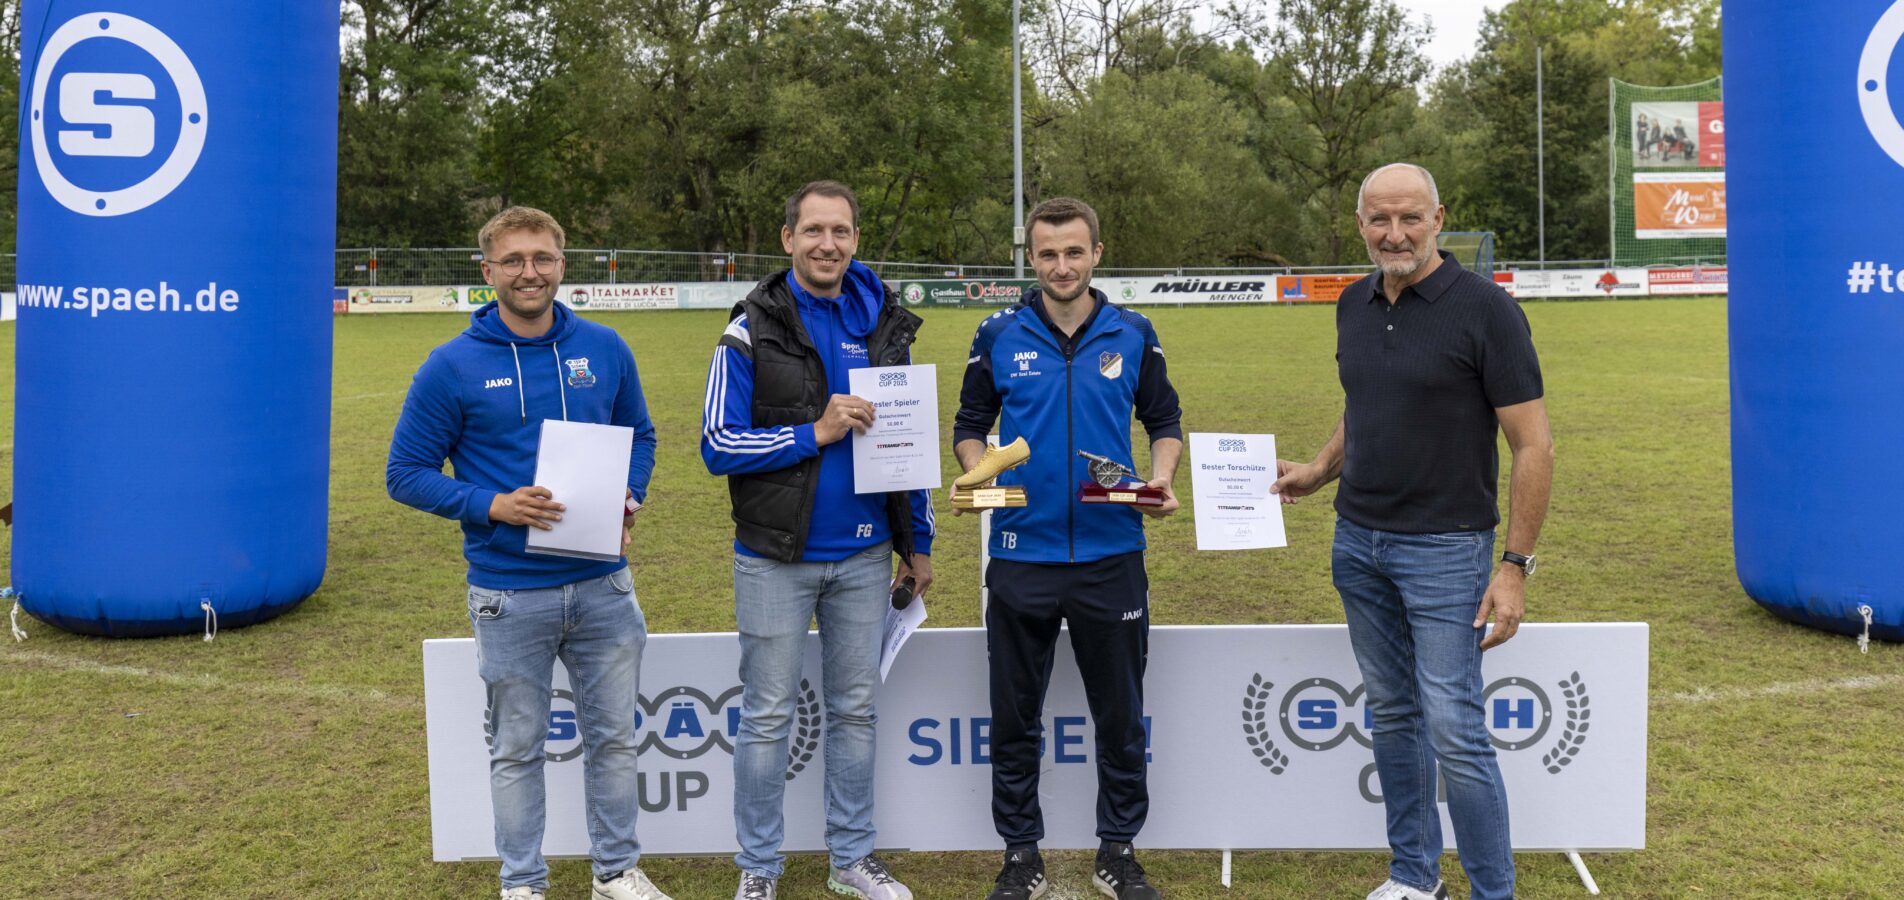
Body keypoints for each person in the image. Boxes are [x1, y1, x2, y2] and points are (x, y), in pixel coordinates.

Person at [1271, 163, 1554, 900]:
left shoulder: (1487, 310)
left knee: (1456, 729)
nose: (1394, 234)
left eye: (1409, 218)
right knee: (1394, 716)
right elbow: (1365, 403)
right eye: (1380, 219)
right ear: (1360, 224)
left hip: (1448, 550)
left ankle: (1493, 892)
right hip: (1357, 543)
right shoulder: (1353, 302)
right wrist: (1320, 469)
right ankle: (1413, 877)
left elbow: (1533, 446)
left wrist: (1514, 566)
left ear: (1438, 219)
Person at [387, 207, 670, 900]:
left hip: (605, 586)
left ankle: (616, 873)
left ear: (561, 264)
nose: (529, 272)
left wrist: (629, 495)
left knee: (615, 739)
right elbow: (405, 473)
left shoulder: (604, 347)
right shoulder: (450, 365)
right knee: (516, 749)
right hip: (509, 592)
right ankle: (522, 884)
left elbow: (640, 434)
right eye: (512, 260)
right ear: (487, 271)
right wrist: (493, 505)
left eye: (542, 258)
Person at [701, 180, 935, 900]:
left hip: (864, 557)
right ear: (788, 239)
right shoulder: (750, 327)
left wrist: (918, 543)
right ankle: (759, 868)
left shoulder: (887, 325)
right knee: (768, 716)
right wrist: (815, 432)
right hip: (774, 557)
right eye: (813, 231)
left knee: (855, 712)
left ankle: (851, 859)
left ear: (856, 240)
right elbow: (717, 444)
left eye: (840, 231)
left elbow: (907, 447)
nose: (827, 244)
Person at [953, 197, 1183, 900]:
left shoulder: (1133, 332)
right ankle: (1021, 856)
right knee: (1015, 719)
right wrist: (979, 470)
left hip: (1113, 553)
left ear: (1096, 254)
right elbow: (969, 423)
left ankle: (1118, 852)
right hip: (1021, 554)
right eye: (1048, 254)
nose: (1061, 266)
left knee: (1120, 719)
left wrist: (1161, 479)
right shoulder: (998, 332)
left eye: (1074, 252)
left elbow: (1165, 421)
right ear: (1031, 257)